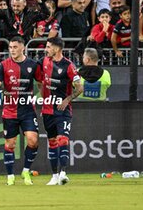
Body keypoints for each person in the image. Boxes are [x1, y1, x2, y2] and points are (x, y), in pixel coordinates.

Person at [0, 36, 42, 185]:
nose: (12, 50)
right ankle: (10, 176)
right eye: (10, 47)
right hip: (10, 111)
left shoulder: (33, 65)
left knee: (33, 141)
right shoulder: (3, 65)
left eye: (15, 47)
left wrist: (45, 101)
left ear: (23, 48)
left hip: (27, 110)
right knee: (10, 144)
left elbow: (40, 83)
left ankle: (26, 171)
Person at [38, 37, 83, 185]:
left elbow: (80, 88)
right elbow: (37, 79)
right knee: (52, 142)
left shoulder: (69, 66)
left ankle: (63, 172)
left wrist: (68, 99)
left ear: (57, 49)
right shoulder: (44, 61)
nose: (46, 49)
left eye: (49, 47)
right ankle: (54, 175)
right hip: (47, 110)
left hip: (62, 110)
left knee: (62, 139)